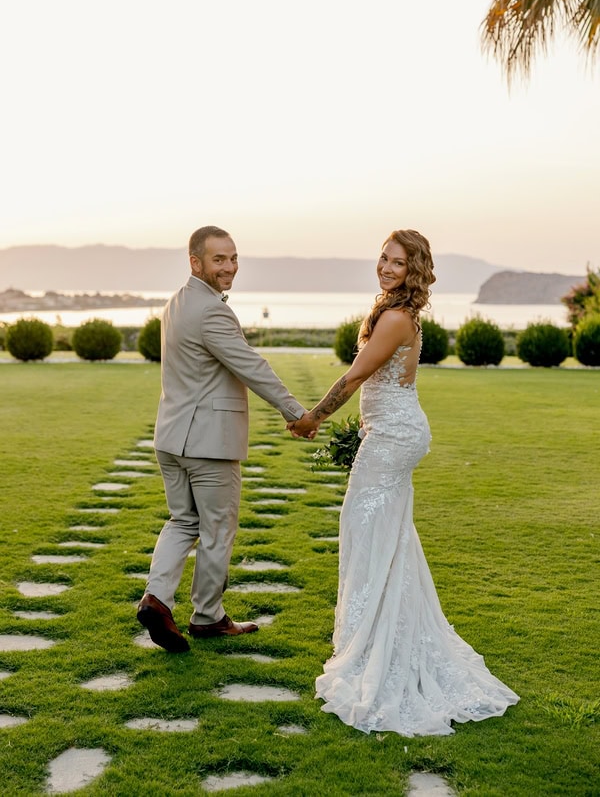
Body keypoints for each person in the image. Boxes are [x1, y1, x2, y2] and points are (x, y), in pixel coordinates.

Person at [289, 229, 519, 736]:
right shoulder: (401, 314)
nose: (386, 267)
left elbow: (352, 378)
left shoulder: (395, 318)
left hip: (393, 437)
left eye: (397, 262)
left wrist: (312, 419)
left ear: (413, 270)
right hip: (393, 430)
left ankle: (373, 649)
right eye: (383, 258)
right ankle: (379, 638)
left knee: (365, 528)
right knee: (386, 536)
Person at [137, 225, 309, 652]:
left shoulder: (176, 303)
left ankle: (156, 599)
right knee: (217, 530)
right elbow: (251, 366)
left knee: (183, 521)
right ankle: (208, 617)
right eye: (219, 259)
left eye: (233, 258)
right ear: (195, 262)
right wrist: (298, 413)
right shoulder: (212, 311)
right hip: (207, 443)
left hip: (171, 438)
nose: (229, 266)